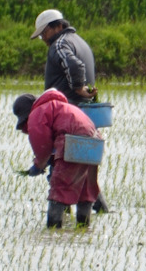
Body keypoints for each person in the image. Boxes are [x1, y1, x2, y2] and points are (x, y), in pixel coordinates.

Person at [30, 8, 110, 213]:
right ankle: (99, 208)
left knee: (61, 165)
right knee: (82, 164)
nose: (44, 39)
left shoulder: (60, 44)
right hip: (83, 116)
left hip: (67, 114)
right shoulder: (79, 41)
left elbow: (74, 66)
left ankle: (61, 212)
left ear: (57, 26)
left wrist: (77, 88)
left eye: (43, 34)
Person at [13, 90, 101, 229]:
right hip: (95, 142)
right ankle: (83, 227)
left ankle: (54, 228)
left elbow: (42, 146)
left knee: (59, 188)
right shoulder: (61, 106)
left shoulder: (38, 112)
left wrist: (38, 165)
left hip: (73, 141)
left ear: (28, 113)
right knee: (85, 188)